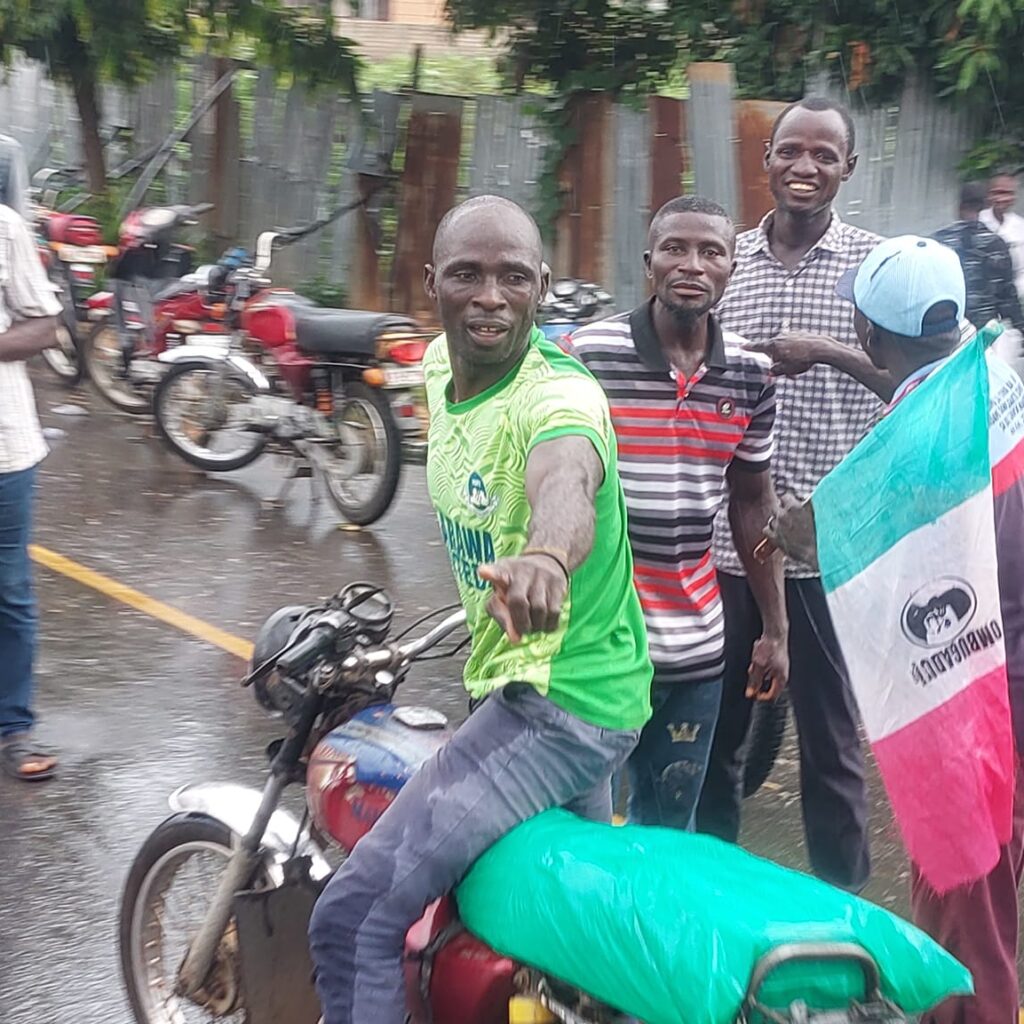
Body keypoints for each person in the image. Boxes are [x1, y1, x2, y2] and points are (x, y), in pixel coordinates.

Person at [308, 195, 653, 1024]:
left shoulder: (559, 397)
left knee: (354, 916)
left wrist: (545, 557)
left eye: (512, 277)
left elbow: (564, 478)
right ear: (432, 283)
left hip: (558, 706)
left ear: (541, 287)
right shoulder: (433, 367)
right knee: (550, 948)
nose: (490, 296)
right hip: (582, 690)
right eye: (467, 274)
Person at [766, 234, 1024, 1024]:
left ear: (874, 332)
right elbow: (908, 378)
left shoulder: (897, 457)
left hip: (971, 702)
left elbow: (811, 534)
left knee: (963, 926)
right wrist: (832, 354)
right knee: (999, 885)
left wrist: (789, 529)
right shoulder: (995, 372)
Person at [696, 96, 884, 892]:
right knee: (716, 736)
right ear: (766, 160)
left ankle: (845, 920)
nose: (805, 167)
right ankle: (709, 901)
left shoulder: (876, 268)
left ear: (849, 167)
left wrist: (828, 350)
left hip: (830, 543)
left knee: (832, 748)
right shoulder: (720, 260)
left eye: (824, 155)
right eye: (790, 152)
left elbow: (918, 379)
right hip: (730, 543)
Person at [569, 195, 788, 830]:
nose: (692, 264)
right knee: (576, 834)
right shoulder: (590, 355)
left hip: (695, 647)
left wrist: (775, 631)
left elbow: (753, 504)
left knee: (666, 831)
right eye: (675, 249)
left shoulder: (750, 374)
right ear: (649, 263)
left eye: (711, 251)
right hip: (595, 644)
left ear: (732, 269)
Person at [0, 194, 62, 780]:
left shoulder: (5, 228)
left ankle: (14, 726)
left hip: (5, 449)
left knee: (9, 589)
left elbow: (44, 325)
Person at [935, 181, 1024, 363]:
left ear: (959, 207)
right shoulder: (996, 244)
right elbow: (1007, 298)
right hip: (983, 337)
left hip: (945, 335)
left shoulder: (940, 241)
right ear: (984, 206)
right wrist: (1020, 328)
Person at [981, 172, 1024, 299]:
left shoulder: (1020, 226)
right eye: (997, 192)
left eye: (1008, 193)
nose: (1002, 198)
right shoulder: (978, 221)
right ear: (989, 195)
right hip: (981, 297)